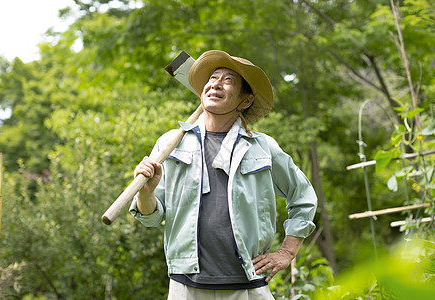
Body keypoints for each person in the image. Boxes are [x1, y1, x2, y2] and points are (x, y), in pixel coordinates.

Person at [129, 50, 317, 299]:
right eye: (213, 77)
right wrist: (146, 192)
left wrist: (286, 253)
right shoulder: (170, 145)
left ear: (245, 101)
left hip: (247, 286)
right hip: (186, 287)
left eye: (228, 80)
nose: (216, 83)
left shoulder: (263, 147)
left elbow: (303, 196)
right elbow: (151, 217)